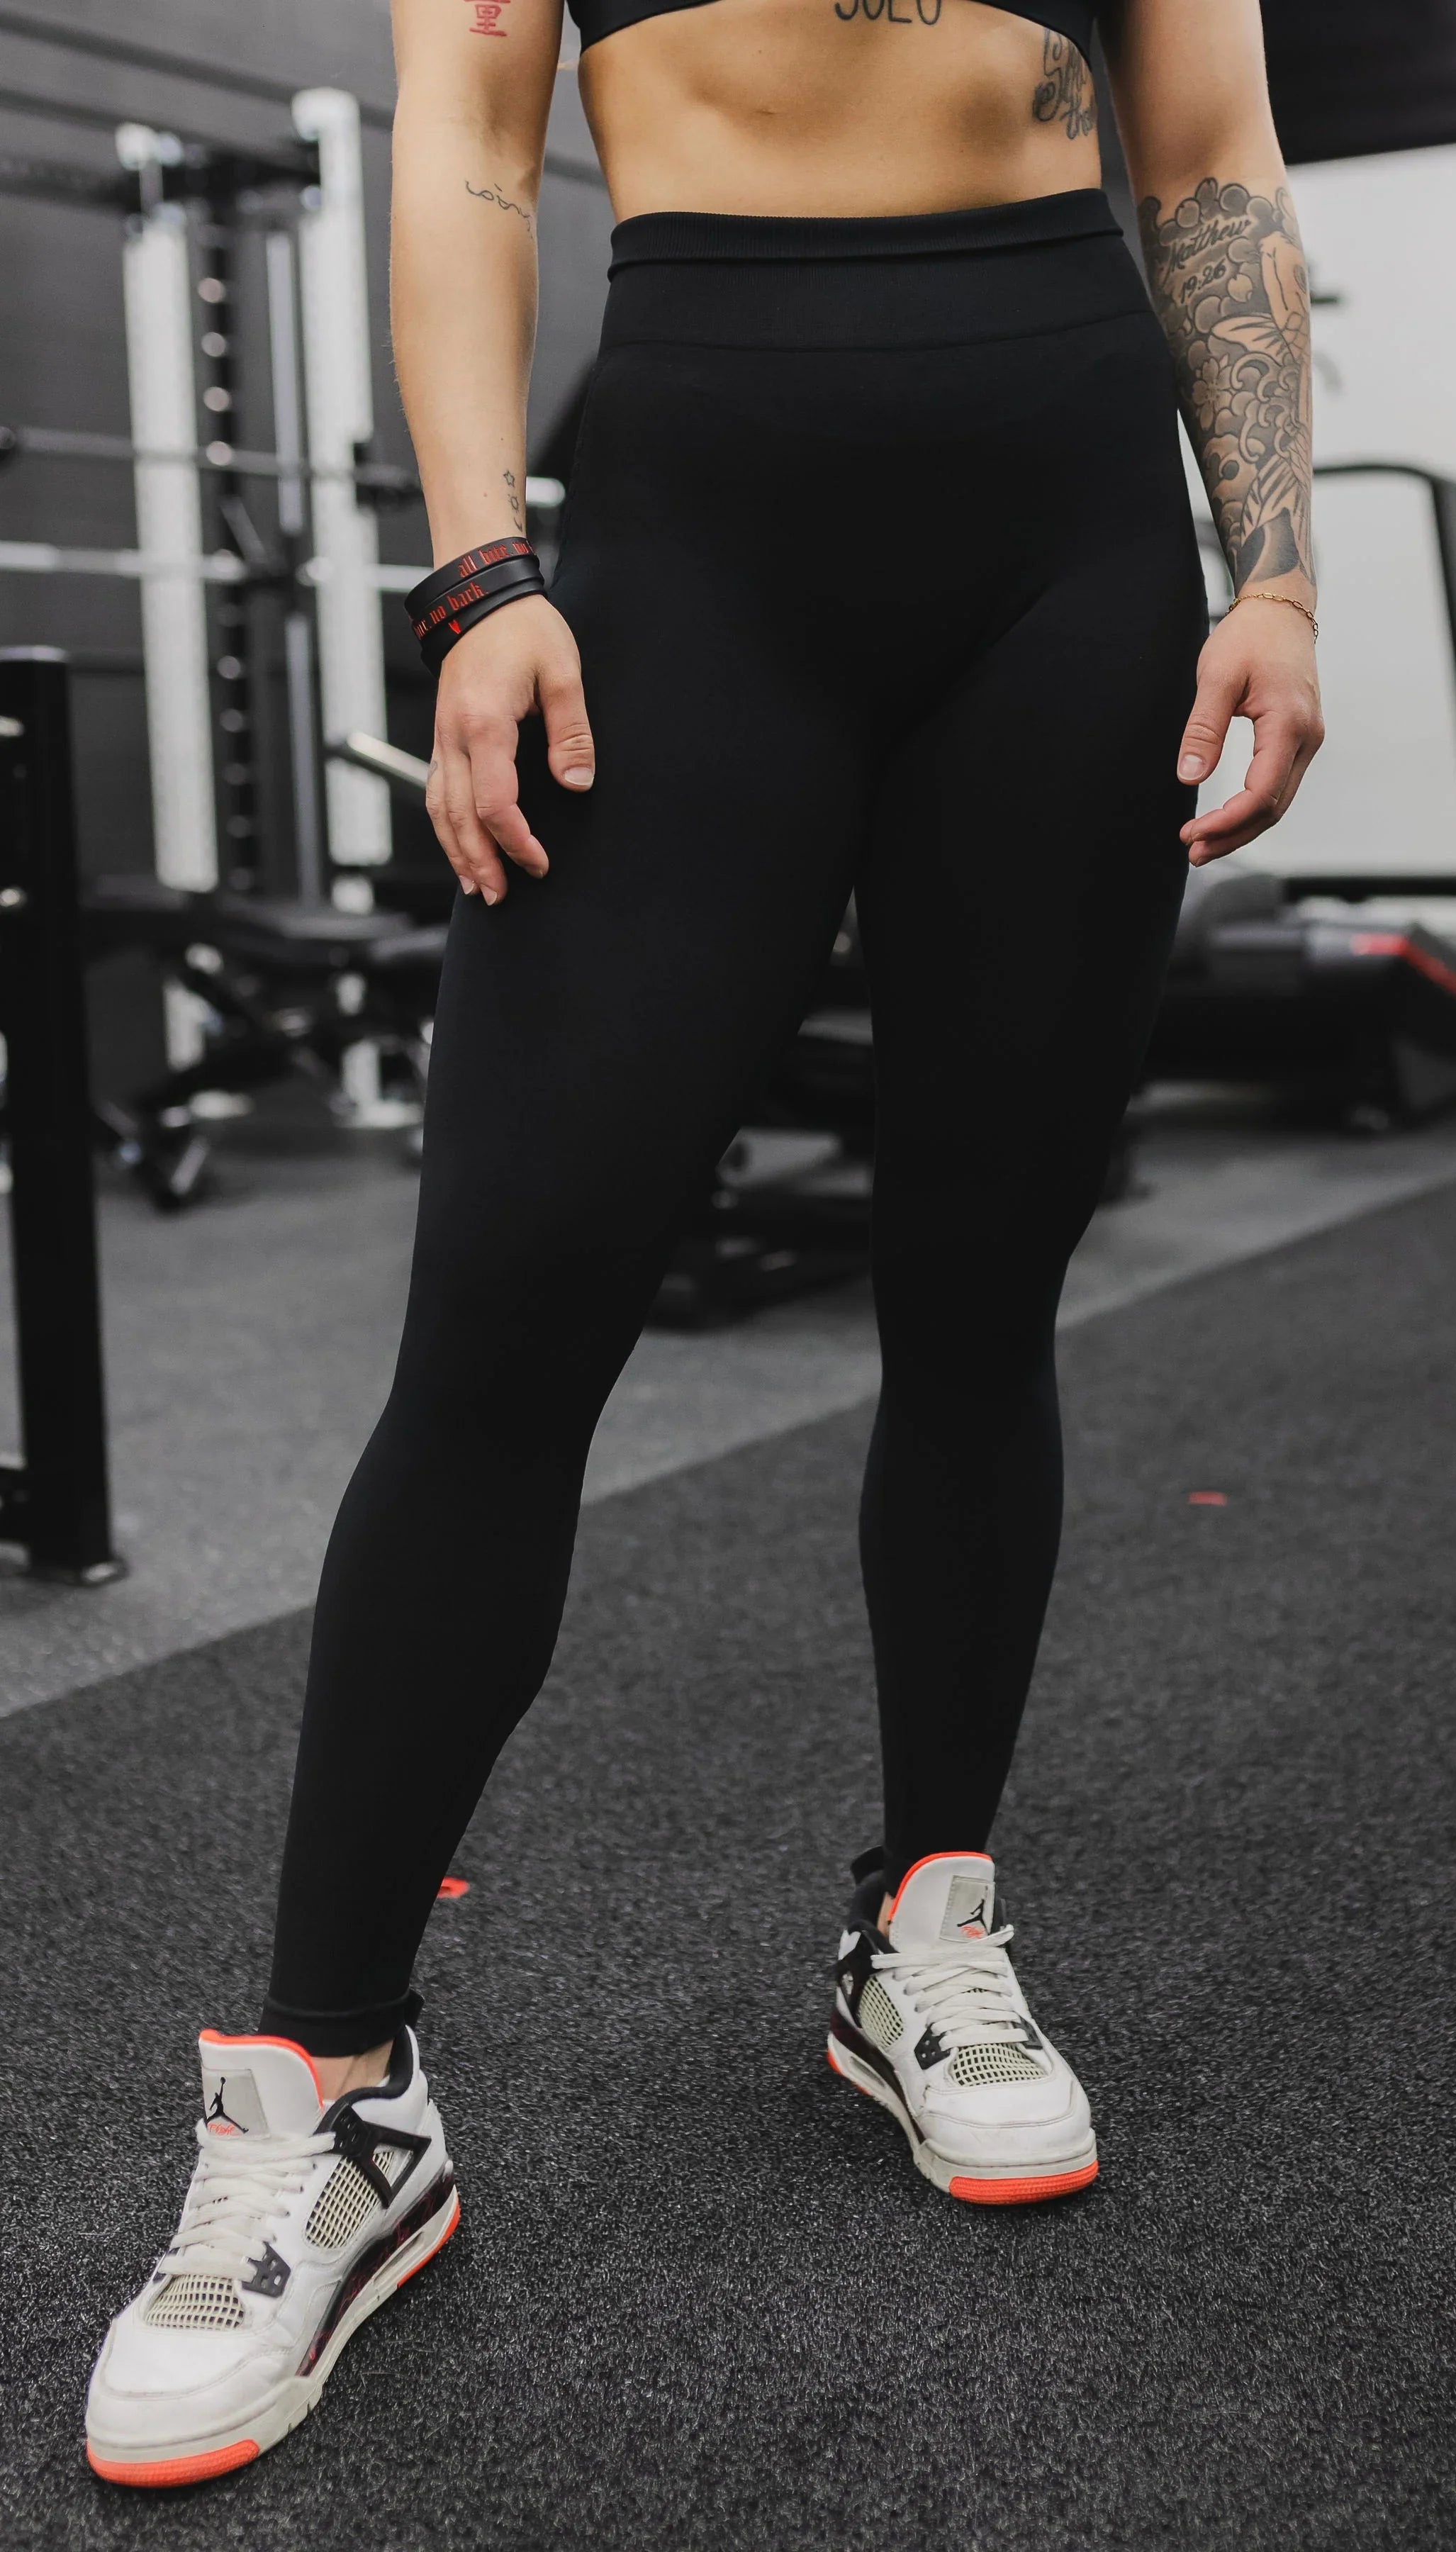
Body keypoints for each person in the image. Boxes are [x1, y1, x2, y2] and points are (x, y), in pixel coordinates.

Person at [86, 0, 1321, 2487]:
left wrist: (1276, 561)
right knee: (515, 1305)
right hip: (695, 524)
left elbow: (1209, 134)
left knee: (983, 1288)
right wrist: (471, 576)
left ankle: (927, 1932)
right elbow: (462, 124)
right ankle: (330, 2093)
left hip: (1069, 523)